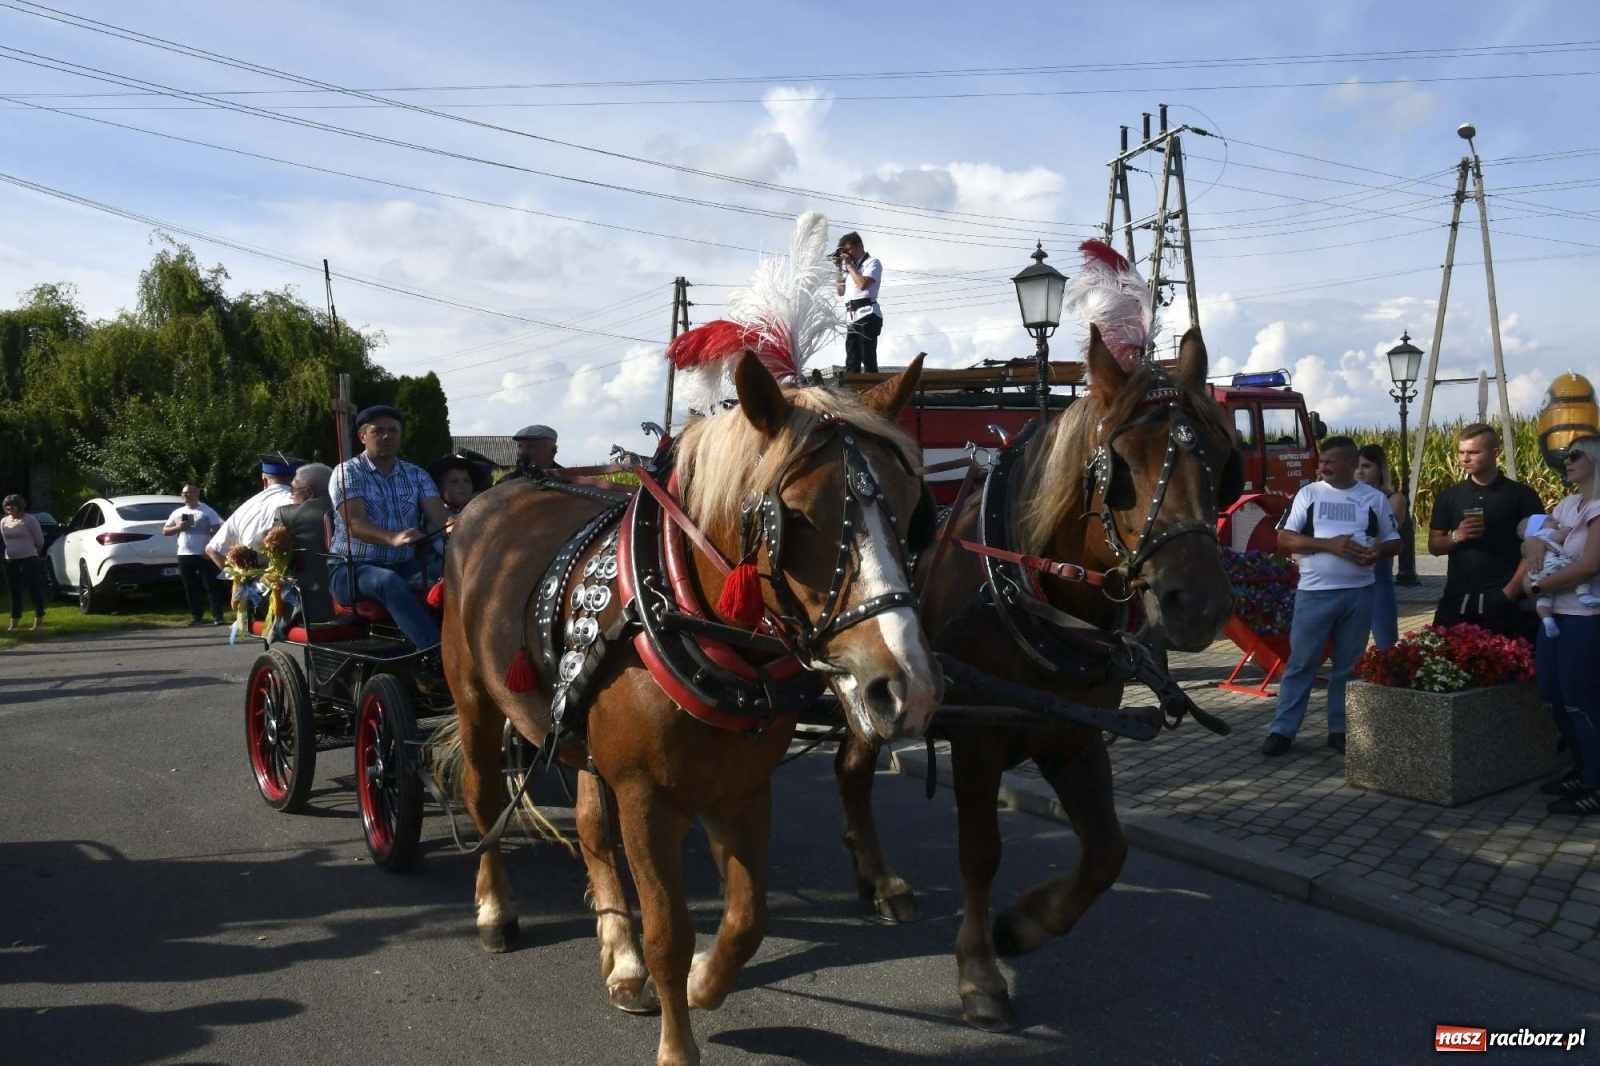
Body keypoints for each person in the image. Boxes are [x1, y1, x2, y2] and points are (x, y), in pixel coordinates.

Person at [1264, 437, 1402, 756]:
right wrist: (1329, 545)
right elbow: (1284, 539)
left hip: (1360, 593)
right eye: (1321, 461)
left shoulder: (1374, 498)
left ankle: (1339, 729)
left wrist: (1377, 552)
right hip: (1315, 593)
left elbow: (1395, 542)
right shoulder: (1308, 494)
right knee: (1301, 664)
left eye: (1330, 462)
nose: (1322, 467)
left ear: (1352, 465)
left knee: (1348, 665)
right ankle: (1283, 730)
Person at [1519, 435, 1600, 817]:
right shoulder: (1568, 505)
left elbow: (1588, 566)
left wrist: (1537, 586)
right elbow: (1527, 528)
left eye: (1575, 456)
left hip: (1586, 618)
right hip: (1555, 615)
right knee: (1553, 695)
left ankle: (1597, 783)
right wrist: (1531, 543)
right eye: (1566, 456)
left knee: (1582, 702)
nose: (1566, 461)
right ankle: (1583, 769)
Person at [329, 405, 451, 650]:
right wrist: (393, 538)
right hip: (351, 571)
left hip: (407, 567)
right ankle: (435, 651)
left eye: (393, 431)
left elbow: (442, 519)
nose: (387, 436)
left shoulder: (417, 475)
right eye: (379, 431)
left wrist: (466, 527)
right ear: (362, 436)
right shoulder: (347, 472)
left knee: (458, 575)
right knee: (387, 580)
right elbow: (355, 524)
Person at [1428, 423, 1544, 640]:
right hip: (1457, 597)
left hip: (1505, 600)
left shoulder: (1522, 495)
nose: (1465, 459)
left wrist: (1510, 592)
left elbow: (1537, 546)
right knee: (1448, 666)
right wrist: (1456, 537)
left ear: (1495, 453)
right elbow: (1434, 546)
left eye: (1473, 452)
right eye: (1461, 452)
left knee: (1511, 669)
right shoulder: (1449, 496)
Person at [205, 452, 303, 570]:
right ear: (296, 480)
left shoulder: (246, 507)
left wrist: (241, 580)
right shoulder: (299, 502)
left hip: (250, 585)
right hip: (289, 585)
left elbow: (212, 550)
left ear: (265, 481)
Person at [1355, 444, 1408, 650]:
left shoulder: (1393, 498)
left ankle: (1388, 671)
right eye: (1356, 466)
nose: (1360, 471)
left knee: (1386, 639)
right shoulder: (1345, 495)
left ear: (1380, 469)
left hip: (1378, 572)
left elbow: (1388, 533)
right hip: (1349, 573)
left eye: (1366, 466)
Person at [1522, 513, 1600, 637]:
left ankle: (1547, 619)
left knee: (1544, 599)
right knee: (1576, 575)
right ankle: (1584, 596)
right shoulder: (1546, 532)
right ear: (1540, 526)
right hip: (1555, 565)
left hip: (1536, 573)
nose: (1556, 521)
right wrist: (1568, 529)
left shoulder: (1533, 539)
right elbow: (1559, 536)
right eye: (1550, 520)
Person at [162, 484, 227, 626]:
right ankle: (196, 616)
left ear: (196, 494)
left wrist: (210, 550)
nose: (185, 496)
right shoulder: (177, 512)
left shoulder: (207, 511)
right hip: (184, 553)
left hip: (203, 554)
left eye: (188, 493)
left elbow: (217, 531)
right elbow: (165, 531)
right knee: (189, 586)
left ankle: (218, 616)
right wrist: (178, 527)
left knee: (211, 585)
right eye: (183, 493)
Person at [834, 231, 883, 374]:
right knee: (851, 360)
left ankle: (874, 390)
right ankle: (853, 393)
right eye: (844, 251)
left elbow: (863, 284)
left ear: (859, 246)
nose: (847, 254)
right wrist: (839, 268)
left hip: (868, 314)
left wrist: (849, 265)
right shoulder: (852, 270)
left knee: (867, 357)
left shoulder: (872, 262)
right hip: (852, 318)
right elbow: (840, 291)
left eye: (849, 249)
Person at [2, 494, 47, 631]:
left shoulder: (29, 520)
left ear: (20, 506)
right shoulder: (4, 521)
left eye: (13, 505)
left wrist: (33, 555)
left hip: (28, 558)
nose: (10, 507)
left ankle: (38, 620)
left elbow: (39, 541)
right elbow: (5, 540)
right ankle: (14, 623)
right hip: (10, 560)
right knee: (14, 591)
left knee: (32, 587)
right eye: (7, 505)